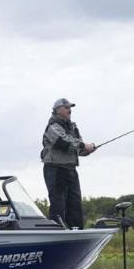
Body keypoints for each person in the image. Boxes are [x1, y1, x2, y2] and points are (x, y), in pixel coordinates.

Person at [41, 98, 95, 230]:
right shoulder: (53, 126)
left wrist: (88, 150)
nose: (69, 110)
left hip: (70, 169)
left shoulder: (72, 127)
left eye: (70, 108)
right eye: (66, 108)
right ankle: (57, 231)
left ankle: (76, 230)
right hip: (56, 169)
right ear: (57, 110)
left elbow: (77, 149)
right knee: (58, 203)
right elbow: (63, 142)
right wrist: (83, 145)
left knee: (75, 203)